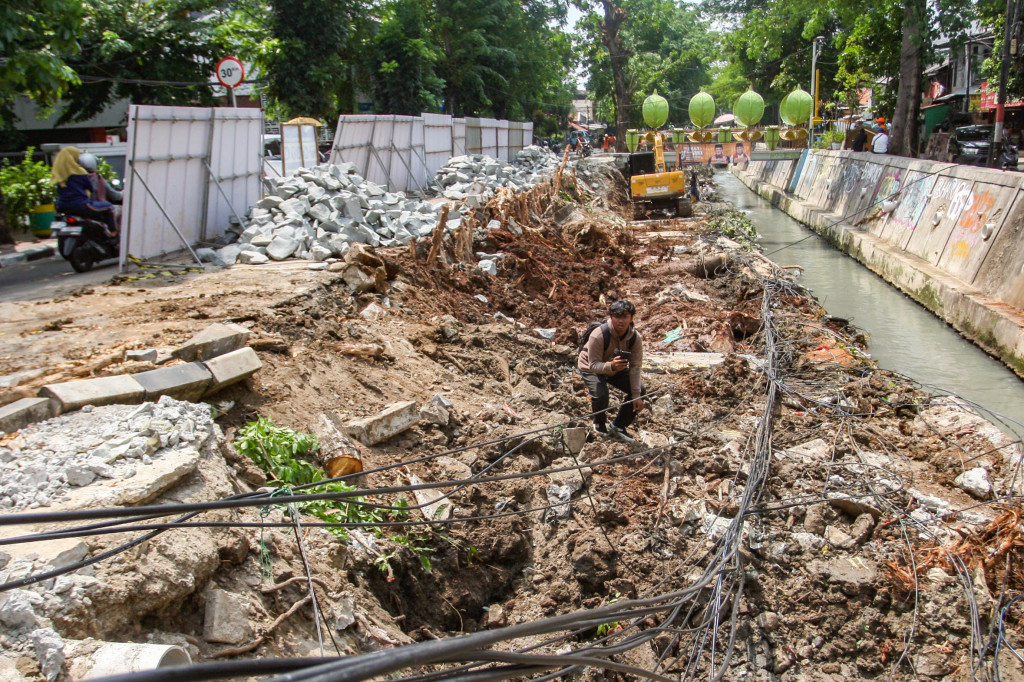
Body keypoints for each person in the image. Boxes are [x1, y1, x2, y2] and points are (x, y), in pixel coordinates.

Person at [578, 300, 646, 442]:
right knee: (601, 395)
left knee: (639, 390)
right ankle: (599, 423)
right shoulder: (599, 334)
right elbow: (593, 365)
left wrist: (636, 395)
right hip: (591, 366)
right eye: (617, 317)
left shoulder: (635, 338)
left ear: (631, 318)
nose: (621, 321)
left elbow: (635, 367)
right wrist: (611, 366)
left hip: (615, 367)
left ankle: (619, 425)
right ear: (611, 317)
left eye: (625, 317)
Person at [51, 147, 117, 236]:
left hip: (62, 206)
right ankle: (113, 234)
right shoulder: (79, 172)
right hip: (81, 205)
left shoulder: (59, 173)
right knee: (109, 207)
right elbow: (90, 188)